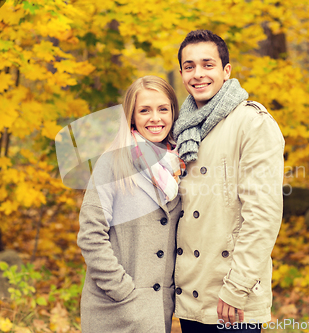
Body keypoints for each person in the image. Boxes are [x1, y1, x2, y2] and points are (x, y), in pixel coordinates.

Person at [173, 30, 285, 332]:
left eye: (207, 65)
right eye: (189, 66)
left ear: (226, 71)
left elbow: (263, 214)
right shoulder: (182, 128)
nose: (198, 74)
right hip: (190, 295)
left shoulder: (252, 122)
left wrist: (236, 287)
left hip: (232, 298)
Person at [77, 76, 185, 333]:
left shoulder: (179, 164)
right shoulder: (112, 163)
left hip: (159, 310)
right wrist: (123, 291)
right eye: (144, 110)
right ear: (132, 117)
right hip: (116, 310)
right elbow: (91, 236)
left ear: (173, 112)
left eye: (163, 109)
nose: (155, 118)